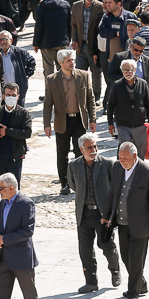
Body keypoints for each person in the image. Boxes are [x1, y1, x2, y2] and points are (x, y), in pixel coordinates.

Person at [103, 142, 149, 299]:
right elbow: (112, 193)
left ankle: (133, 292)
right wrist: (106, 215)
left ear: (135, 156)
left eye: (125, 158)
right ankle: (141, 284)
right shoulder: (117, 168)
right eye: (120, 157)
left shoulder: (148, 173)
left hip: (141, 224)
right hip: (122, 222)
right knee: (126, 257)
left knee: (137, 260)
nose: (122, 161)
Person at [0, 173, 41, 299]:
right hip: (4, 258)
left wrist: (4, 239)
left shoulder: (26, 204)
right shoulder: (2, 203)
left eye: (0, 188)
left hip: (22, 259)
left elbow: (27, 231)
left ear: (11, 188)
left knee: (29, 294)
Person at [67, 132, 120, 293]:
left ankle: (115, 270)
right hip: (84, 214)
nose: (94, 150)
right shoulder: (74, 165)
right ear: (81, 149)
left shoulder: (107, 164)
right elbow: (73, 185)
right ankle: (91, 281)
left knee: (107, 245)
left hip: (102, 214)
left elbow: (114, 187)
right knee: (85, 250)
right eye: (89, 147)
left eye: (95, 146)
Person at [42, 49, 96, 194]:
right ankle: (64, 183)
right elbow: (48, 103)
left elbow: (90, 98)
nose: (72, 63)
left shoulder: (83, 75)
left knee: (80, 152)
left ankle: (80, 182)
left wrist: (93, 119)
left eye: (73, 60)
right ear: (60, 63)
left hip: (79, 120)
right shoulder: (52, 79)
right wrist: (47, 124)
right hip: (62, 120)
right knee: (62, 153)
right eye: (68, 61)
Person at [0, 83, 33, 184]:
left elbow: (27, 133)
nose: (11, 97)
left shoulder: (24, 114)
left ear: (18, 96)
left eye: (13, 95)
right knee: (2, 185)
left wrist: (8, 131)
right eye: (8, 95)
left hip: (15, 157)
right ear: (3, 96)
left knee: (14, 186)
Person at [106, 58, 149, 156]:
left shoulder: (143, 84)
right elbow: (110, 105)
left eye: (130, 70)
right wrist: (110, 123)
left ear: (135, 70)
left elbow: (148, 103)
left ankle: (139, 166)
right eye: (125, 70)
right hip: (123, 124)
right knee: (126, 149)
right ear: (122, 71)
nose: (127, 72)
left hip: (140, 123)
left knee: (140, 151)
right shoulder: (117, 85)